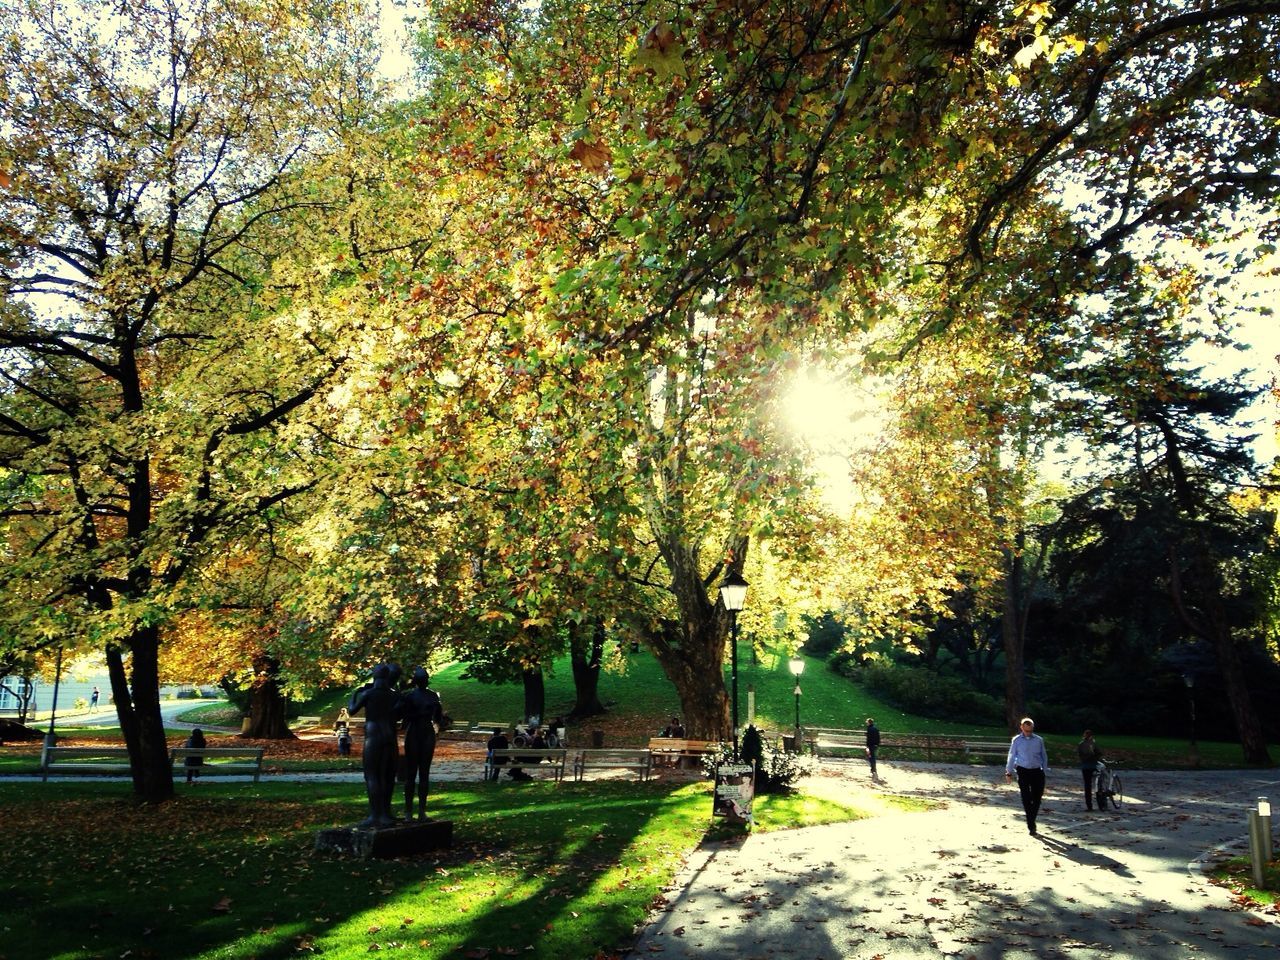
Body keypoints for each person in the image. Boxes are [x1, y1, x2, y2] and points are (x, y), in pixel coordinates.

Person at [349, 664, 402, 828]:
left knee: (371, 775)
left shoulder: (368, 694)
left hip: (373, 736)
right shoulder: (395, 695)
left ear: (374, 675)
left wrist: (354, 694)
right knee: (387, 775)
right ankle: (385, 813)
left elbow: (351, 711)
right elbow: (397, 716)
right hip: (389, 735)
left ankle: (375, 815)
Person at [401, 667, 445, 820]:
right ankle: (408, 811)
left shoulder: (432, 696)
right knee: (411, 773)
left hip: (426, 732)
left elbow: (439, 717)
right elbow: (405, 716)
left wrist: (436, 709)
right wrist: (421, 712)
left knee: (424, 773)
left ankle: (421, 810)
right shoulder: (410, 696)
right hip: (414, 732)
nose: (424, 681)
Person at [1005, 717, 1050, 835]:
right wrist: (1008, 772)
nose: (1028, 733)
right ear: (1021, 728)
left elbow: (1044, 755)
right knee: (1026, 797)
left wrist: (1044, 770)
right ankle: (1031, 824)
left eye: (1030, 730)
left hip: (1037, 771)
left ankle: (1031, 818)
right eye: (1026, 730)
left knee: (1037, 798)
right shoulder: (1017, 740)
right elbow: (1011, 755)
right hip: (1023, 770)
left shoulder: (1039, 740)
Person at [1077, 729, 1103, 811]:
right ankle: (1101, 802)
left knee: (1087, 786)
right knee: (1098, 783)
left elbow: (1080, 756)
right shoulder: (1093, 744)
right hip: (1093, 766)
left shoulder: (1081, 744)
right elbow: (1099, 753)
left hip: (1085, 766)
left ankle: (1089, 806)